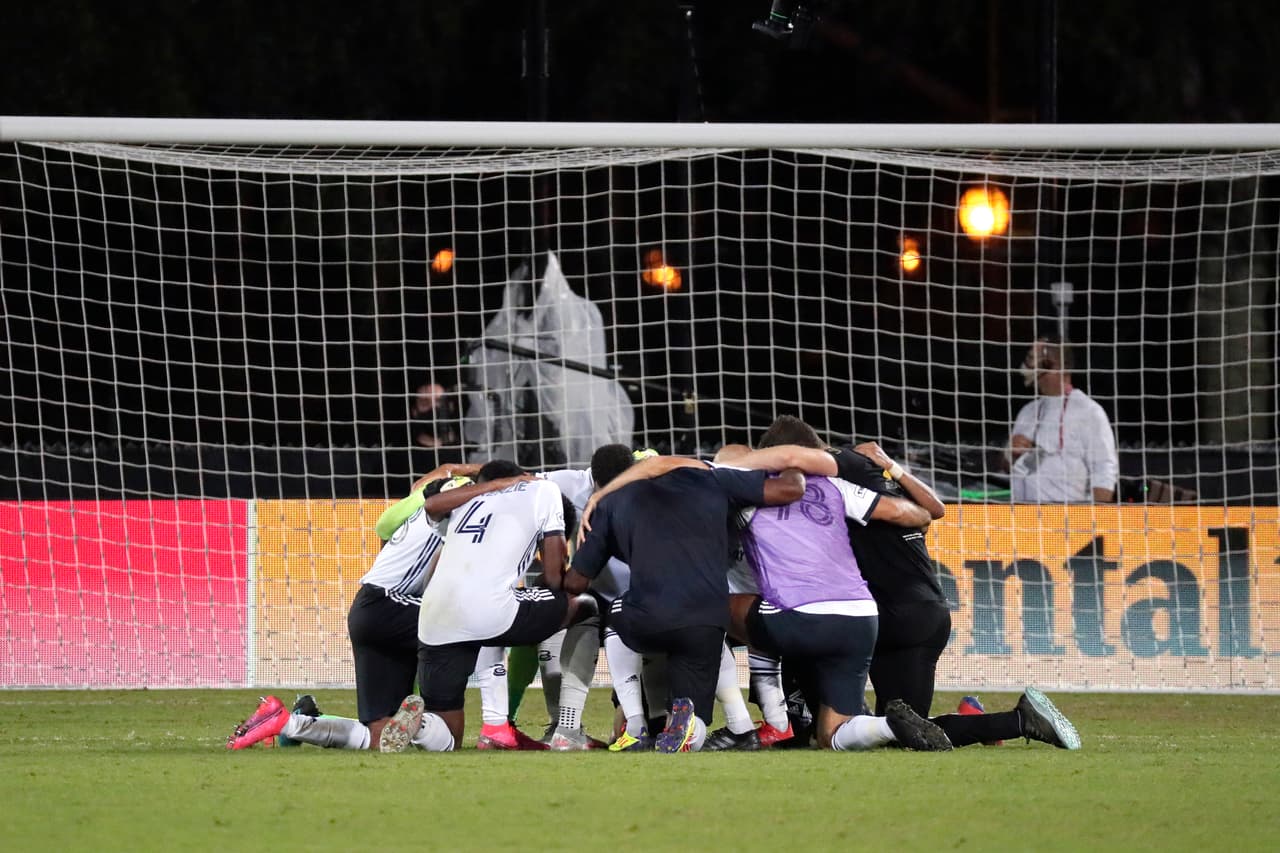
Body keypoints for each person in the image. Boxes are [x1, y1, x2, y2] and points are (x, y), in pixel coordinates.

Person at [568, 454, 806, 752]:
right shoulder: (715, 479)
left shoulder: (614, 500)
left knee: (618, 612)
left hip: (651, 614)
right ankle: (724, 723)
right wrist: (796, 460)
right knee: (695, 704)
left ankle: (637, 725)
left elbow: (576, 582)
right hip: (708, 619)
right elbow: (791, 488)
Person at [379, 459, 593, 754]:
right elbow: (555, 577)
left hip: (434, 618)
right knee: (585, 604)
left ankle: (423, 726)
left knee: (449, 737)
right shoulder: (544, 490)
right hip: (491, 611)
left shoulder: (467, 500)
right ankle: (567, 727)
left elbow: (430, 507)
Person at [1005, 336, 1118, 503]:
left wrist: (1097, 516)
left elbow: (1104, 472)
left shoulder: (1089, 412)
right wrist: (1009, 455)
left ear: (1052, 365)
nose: (1026, 366)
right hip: (1023, 515)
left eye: (1032, 359)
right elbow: (1007, 468)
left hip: (1067, 516)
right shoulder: (1027, 411)